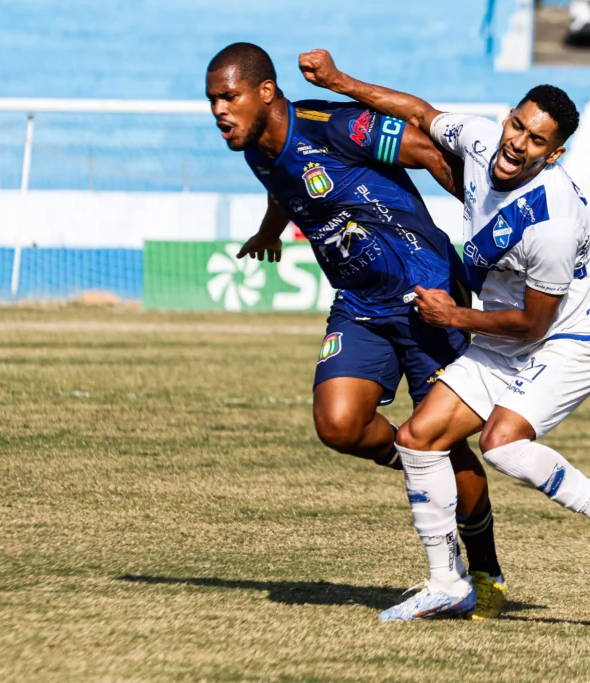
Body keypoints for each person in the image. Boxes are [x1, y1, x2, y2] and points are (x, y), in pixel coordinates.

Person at [299, 48, 590, 622]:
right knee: (418, 439)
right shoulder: (486, 139)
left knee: (502, 444)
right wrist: (340, 80)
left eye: (537, 141)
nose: (518, 143)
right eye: (518, 124)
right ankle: (448, 583)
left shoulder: (554, 223)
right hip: (503, 339)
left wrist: (453, 317)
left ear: (554, 153)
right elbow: (418, 112)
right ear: (509, 116)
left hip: (568, 343)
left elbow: (534, 323)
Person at [205, 43, 508, 618]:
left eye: (228, 96)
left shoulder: (335, 126)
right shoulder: (255, 148)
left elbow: (427, 149)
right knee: (339, 424)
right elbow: (286, 187)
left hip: (426, 295)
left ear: (264, 92)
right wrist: (271, 231)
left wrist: (483, 224)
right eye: (213, 100)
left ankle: (486, 572)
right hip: (359, 302)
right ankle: (415, 458)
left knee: (447, 441)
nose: (219, 110)